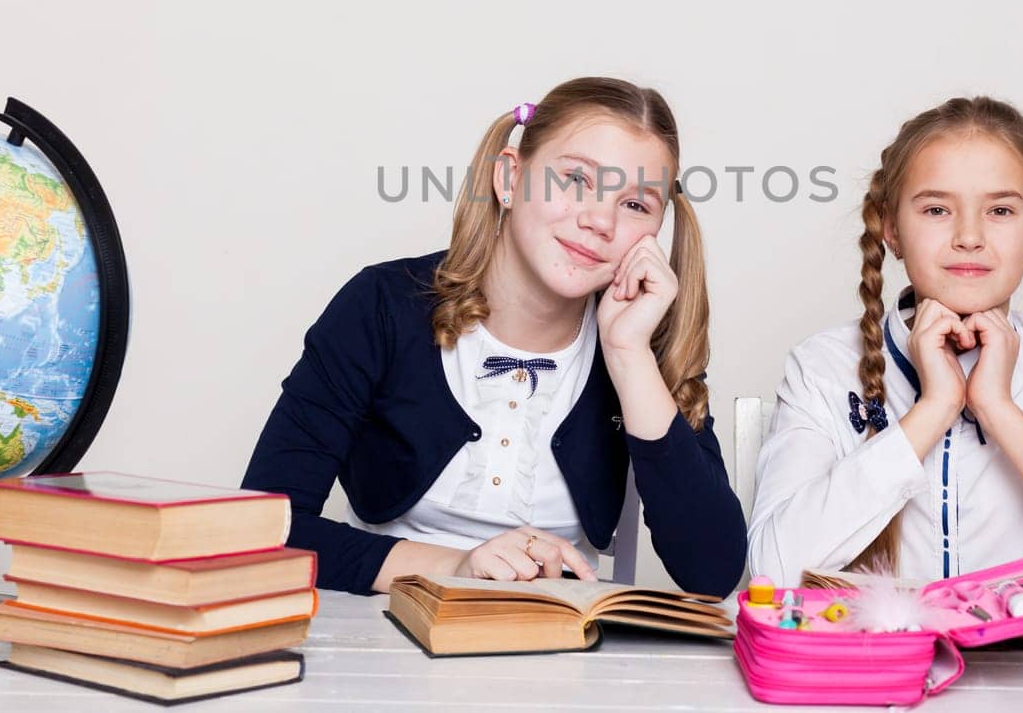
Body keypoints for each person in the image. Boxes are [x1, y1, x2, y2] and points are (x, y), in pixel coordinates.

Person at [243, 77, 746, 597]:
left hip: (561, 647)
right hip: (380, 626)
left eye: (636, 205)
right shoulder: (381, 306)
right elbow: (262, 530)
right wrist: (457, 566)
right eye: (575, 179)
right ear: (509, 178)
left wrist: (628, 355)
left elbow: (711, 573)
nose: (600, 220)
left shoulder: (642, 340)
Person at [748, 96, 1023, 585]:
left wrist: (1000, 410)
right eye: (936, 209)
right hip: (870, 657)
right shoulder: (822, 366)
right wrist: (933, 408)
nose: (969, 236)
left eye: (999, 209)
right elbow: (772, 572)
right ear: (891, 228)